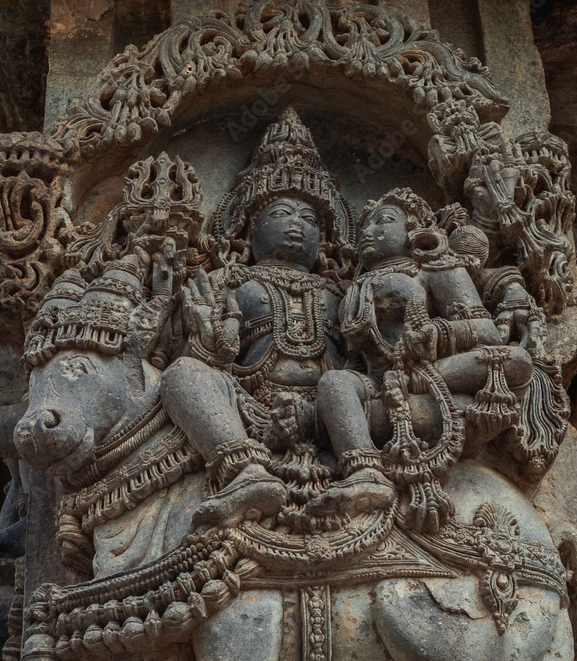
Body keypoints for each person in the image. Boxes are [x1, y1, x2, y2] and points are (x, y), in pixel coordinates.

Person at [160, 107, 351, 527]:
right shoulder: (227, 282)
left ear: (326, 239)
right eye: (281, 214)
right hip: (248, 412)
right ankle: (242, 470)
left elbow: (367, 360)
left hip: (331, 419)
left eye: (309, 218)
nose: (297, 226)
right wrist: (212, 344)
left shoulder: (344, 292)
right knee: (181, 376)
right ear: (248, 228)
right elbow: (190, 355)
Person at [309, 188, 533, 525]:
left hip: (434, 373)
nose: (370, 232)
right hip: (381, 387)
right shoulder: (352, 288)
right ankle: (366, 475)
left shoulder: (433, 269)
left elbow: (485, 331)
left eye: (384, 222)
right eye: (365, 228)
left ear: (413, 230)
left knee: (516, 362)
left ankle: (411, 389)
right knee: (333, 383)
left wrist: (436, 335)